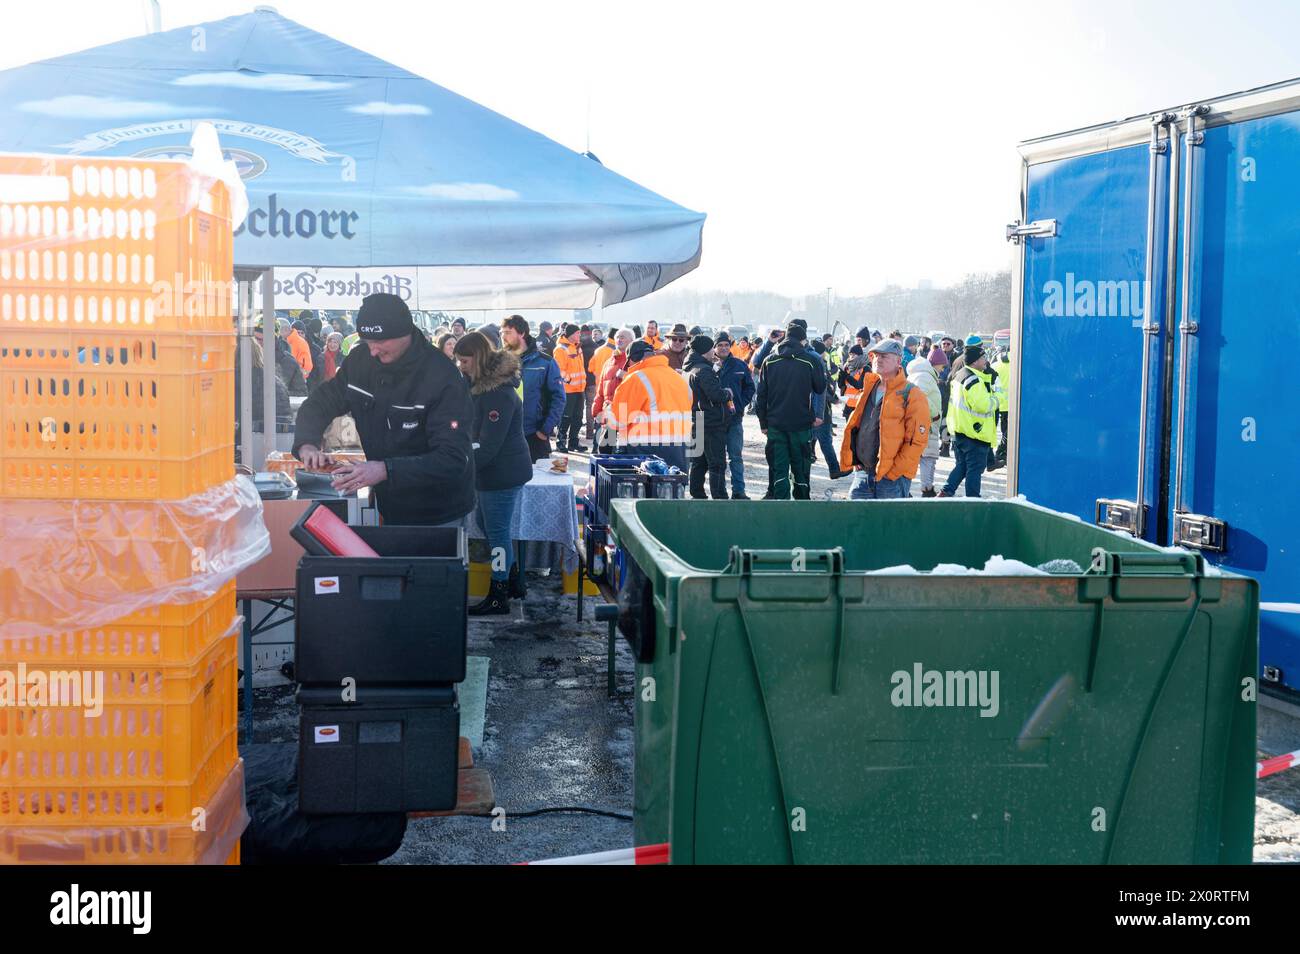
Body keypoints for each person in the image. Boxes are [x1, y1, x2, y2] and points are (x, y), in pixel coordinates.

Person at [293, 293, 476, 527]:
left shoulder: (442, 377)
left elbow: (452, 457)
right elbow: (321, 402)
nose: (373, 351)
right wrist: (307, 443)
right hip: (389, 503)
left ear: (405, 333)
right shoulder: (360, 361)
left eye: (380, 342)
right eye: (368, 342)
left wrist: (385, 469)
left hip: (439, 511)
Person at [454, 332, 533, 614]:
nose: (460, 366)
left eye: (464, 361)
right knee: (490, 529)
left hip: (501, 474)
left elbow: (489, 447)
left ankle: (499, 594)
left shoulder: (498, 393)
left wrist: (459, 468)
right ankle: (512, 582)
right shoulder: (478, 386)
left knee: (498, 534)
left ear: (479, 358)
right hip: (492, 472)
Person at [837, 338, 929, 499]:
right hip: (863, 474)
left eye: (884, 356)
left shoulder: (912, 394)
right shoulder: (868, 387)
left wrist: (893, 472)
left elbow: (917, 440)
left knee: (888, 524)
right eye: (876, 355)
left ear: (898, 361)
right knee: (857, 522)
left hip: (892, 479)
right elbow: (858, 425)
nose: (878, 359)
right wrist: (856, 457)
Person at [754, 321, 825, 500]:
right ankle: (802, 509)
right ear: (803, 341)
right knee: (800, 469)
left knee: (779, 469)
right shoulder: (810, 360)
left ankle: (780, 509)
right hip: (801, 425)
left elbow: (760, 395)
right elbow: (820, 387)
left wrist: (763, 423)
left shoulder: (769, 361)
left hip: (775, 424)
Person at [607, 340, 692, 471]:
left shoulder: (635, 379)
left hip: (645, 449)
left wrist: (608, 410)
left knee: (644, 490)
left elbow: (617, 421)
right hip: (680, 448)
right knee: (674, 488)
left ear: (633, 359)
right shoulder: (678, 377)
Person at [502, 314, 565, 462]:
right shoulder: (498, 362)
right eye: (502, 333)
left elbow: (559, 398)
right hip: (504, 435)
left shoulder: (546, 362)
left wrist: (545, 430)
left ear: (522, 333)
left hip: (534, 435)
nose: (503, 337)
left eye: (508, 332)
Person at [939, 339, 996, 498]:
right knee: (975, 469)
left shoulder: (960, 374)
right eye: (983, 357)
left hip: (960, 430)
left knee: (963, 466)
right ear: (976, 361)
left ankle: (947, 491)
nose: (985, 360)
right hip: (973, 432)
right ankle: (973, 500)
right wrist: (997, 399)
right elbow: (983, 405)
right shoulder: (973, 379)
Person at [683, 334, 730, 499]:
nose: (714, 351)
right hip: (710, 422)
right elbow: (715, 395)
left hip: (697, 419)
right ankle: (720, 497)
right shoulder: (704, 370)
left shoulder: (690, 367)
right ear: (705, 350)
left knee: (699, 462)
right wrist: (727, 393)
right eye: (711, 348)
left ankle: (697, 494)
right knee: (716, 464)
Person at [714, 332, 755, 498]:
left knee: (735, 457)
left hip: (734, 419)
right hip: (714, 420)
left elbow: (750, 388)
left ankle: (739, 491)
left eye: (726, 345)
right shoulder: (709, 365)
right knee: (716, 460)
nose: (723, 348)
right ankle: (719, 492)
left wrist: (739, 405)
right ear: (715, 347)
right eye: (720, 345)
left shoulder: (739, 365)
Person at [592, 328, 636, 453]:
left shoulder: (634, 362)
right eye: (617, 337)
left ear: (632, 341)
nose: (619, 339)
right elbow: (601, 387)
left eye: (623, 337)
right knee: (604, 448)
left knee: (622, 451)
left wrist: (625, 375)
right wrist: (596, 410)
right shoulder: (608, 362)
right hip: (609, 412)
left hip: (626, 413)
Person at [906, 353, 943, 496]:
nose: (942, 369)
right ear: (935, 364)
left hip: (920, 422)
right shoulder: (925, 377)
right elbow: (920, 397)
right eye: (942, 365)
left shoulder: (919, 374)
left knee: (920, 456)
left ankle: (920, 487)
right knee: (928, 457)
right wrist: (935, 414)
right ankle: (927, 489)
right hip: (926, 422)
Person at [810, 339, 847, 479]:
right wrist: (835, 399)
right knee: (826, 440)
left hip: (809, 409)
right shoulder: (819, 364)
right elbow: (823, 387)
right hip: (821, 410)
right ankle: (834, 469)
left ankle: (806, 467)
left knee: (811, 438)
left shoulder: (807, 361)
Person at [553, 323, 588, 452]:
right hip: (568, 390)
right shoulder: (560, 349)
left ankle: (573, 442)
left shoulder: (578, 348)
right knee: (566, 417)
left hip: (579, 389)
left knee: (578, 418)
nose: (580, 335)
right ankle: (560, 442)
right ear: (571, 334)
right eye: (578, 333)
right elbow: (559, 370)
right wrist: (569, 380)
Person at [989, 346, 1012, 470]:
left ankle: (997, 454)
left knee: (998, 431)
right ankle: (1002, 452)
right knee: (1007, 432)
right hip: (1011, 405)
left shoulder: (994, 366)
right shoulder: (1017, 365)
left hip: (996, 403)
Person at [579, 324, 600, 442]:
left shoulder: (578, 347)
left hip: (579, 382)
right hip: (592, 381)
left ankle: (574, 433)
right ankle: (590, 433)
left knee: (578, 408)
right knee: (590, 406)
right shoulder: (596, 347)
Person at [930, 345, 952, 457]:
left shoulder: (943, 367)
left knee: (944, 423)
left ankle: (946, 446)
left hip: (944, 397)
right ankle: (945, 445)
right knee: (944, 423)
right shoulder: (944, 364)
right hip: (943, 397)